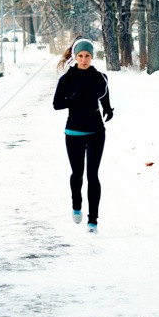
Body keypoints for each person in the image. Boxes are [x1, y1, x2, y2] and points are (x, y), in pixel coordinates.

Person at [53, 37, 113, 233]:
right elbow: (56, 104)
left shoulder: (100, 77)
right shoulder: (66, 79)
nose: (84, 59)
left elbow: (104, 96)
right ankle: (76, 204)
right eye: (80, 56)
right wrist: (72, 99)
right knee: (77, 174)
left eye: (87, 55)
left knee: (93, 175)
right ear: (75, 57)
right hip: (74, 132)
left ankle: (93, 220)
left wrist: (108, 110)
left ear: (92, 56)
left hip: (96, 131)